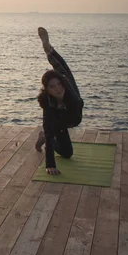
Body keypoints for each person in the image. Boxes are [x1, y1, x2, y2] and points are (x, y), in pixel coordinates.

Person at [35, 27, 84, 175]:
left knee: (63, 71)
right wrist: (49, 164)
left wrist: (50, 52)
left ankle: (49, 49)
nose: (57, 89)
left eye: (59, 85)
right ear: (47, 90)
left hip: (72, 116)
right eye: (52, 87)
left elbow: (62, 71)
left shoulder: (71, 94)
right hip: (60, 123)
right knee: (67, 153)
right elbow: (50, 131)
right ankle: (41, 136)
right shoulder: (47, 103)